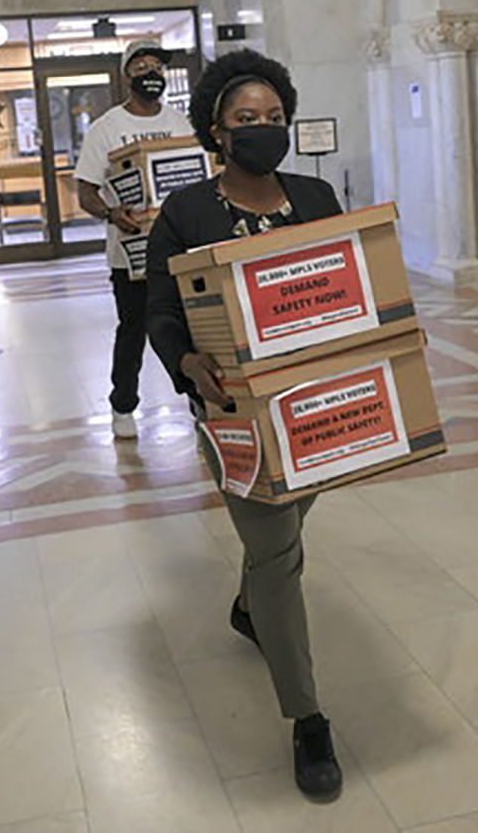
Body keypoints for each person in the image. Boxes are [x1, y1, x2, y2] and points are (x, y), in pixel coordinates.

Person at [145, 49, 345, 801]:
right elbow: (161, 309)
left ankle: (246, 608)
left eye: (274, 116)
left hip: (314, 403)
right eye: (246, 119)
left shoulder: (317, 196)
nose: (264, 127)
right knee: (277, 550)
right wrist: (185, 362)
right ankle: (308, 717)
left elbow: (349, 283)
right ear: (217, 132)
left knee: (283, 531)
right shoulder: (187, 212)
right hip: (231, 410)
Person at [74, 39, 192, 441]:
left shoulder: (181, 124)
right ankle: (123, 405)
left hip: (181, 250)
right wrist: (111, 213)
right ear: (127, 75)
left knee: (193, 330)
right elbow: (86, 191)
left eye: (157, 67)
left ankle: (200, 403)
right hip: (131, 255)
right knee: (133, 331)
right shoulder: (106, 128)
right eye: (141, 67)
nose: (151, 74)